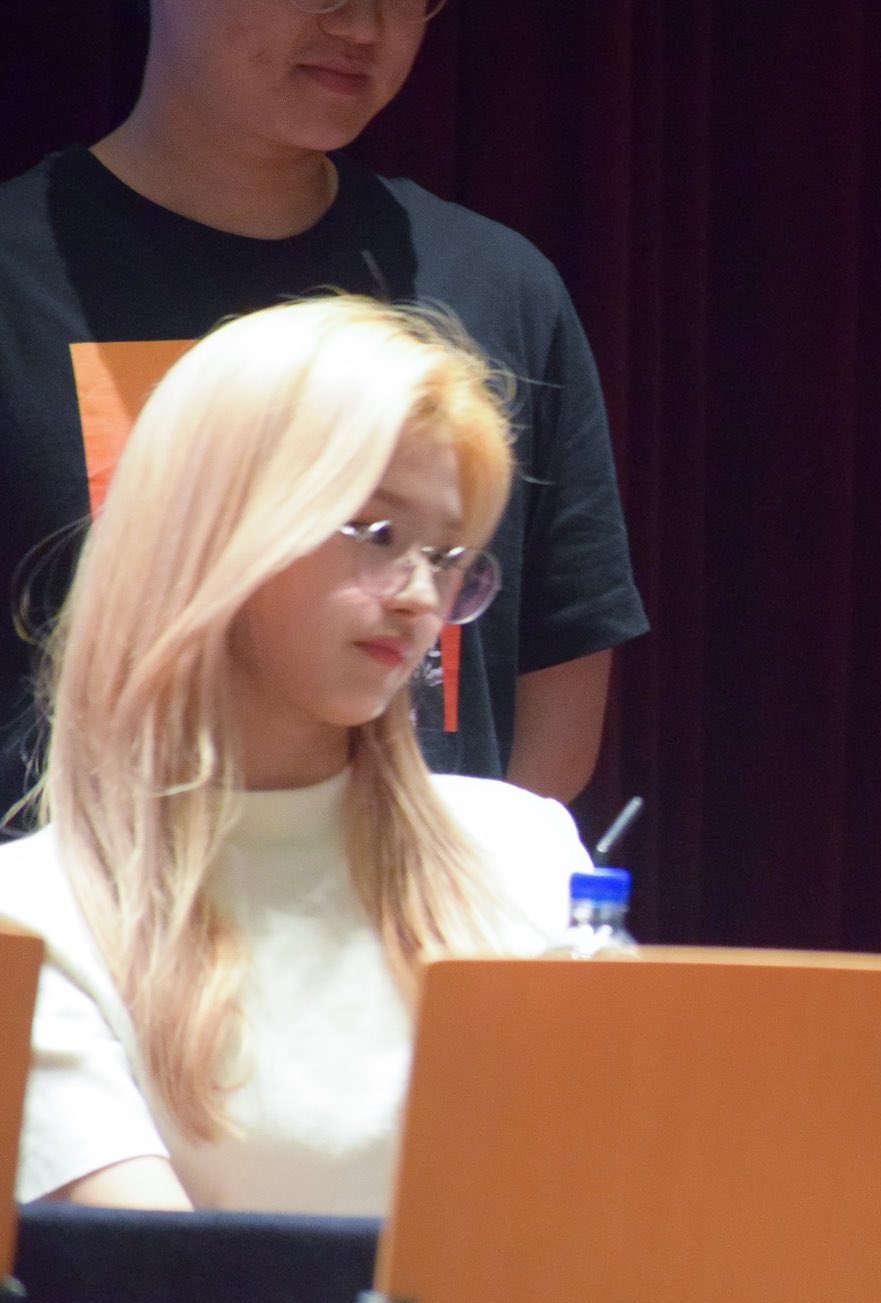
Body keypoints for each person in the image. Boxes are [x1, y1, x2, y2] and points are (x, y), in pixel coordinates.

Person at [0, 296, 591, 1216]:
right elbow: (153, 1287)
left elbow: (613, 1230)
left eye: (446, 557)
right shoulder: (31, 916)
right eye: (378, 534)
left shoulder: (524, 851)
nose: (419, 597)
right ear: (215, 530)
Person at [0, 0, 647, 822]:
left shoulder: (496, 286)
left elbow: (558, 672)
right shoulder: (18, 281)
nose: (362, 27)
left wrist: (450, 871)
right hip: (85, 888)